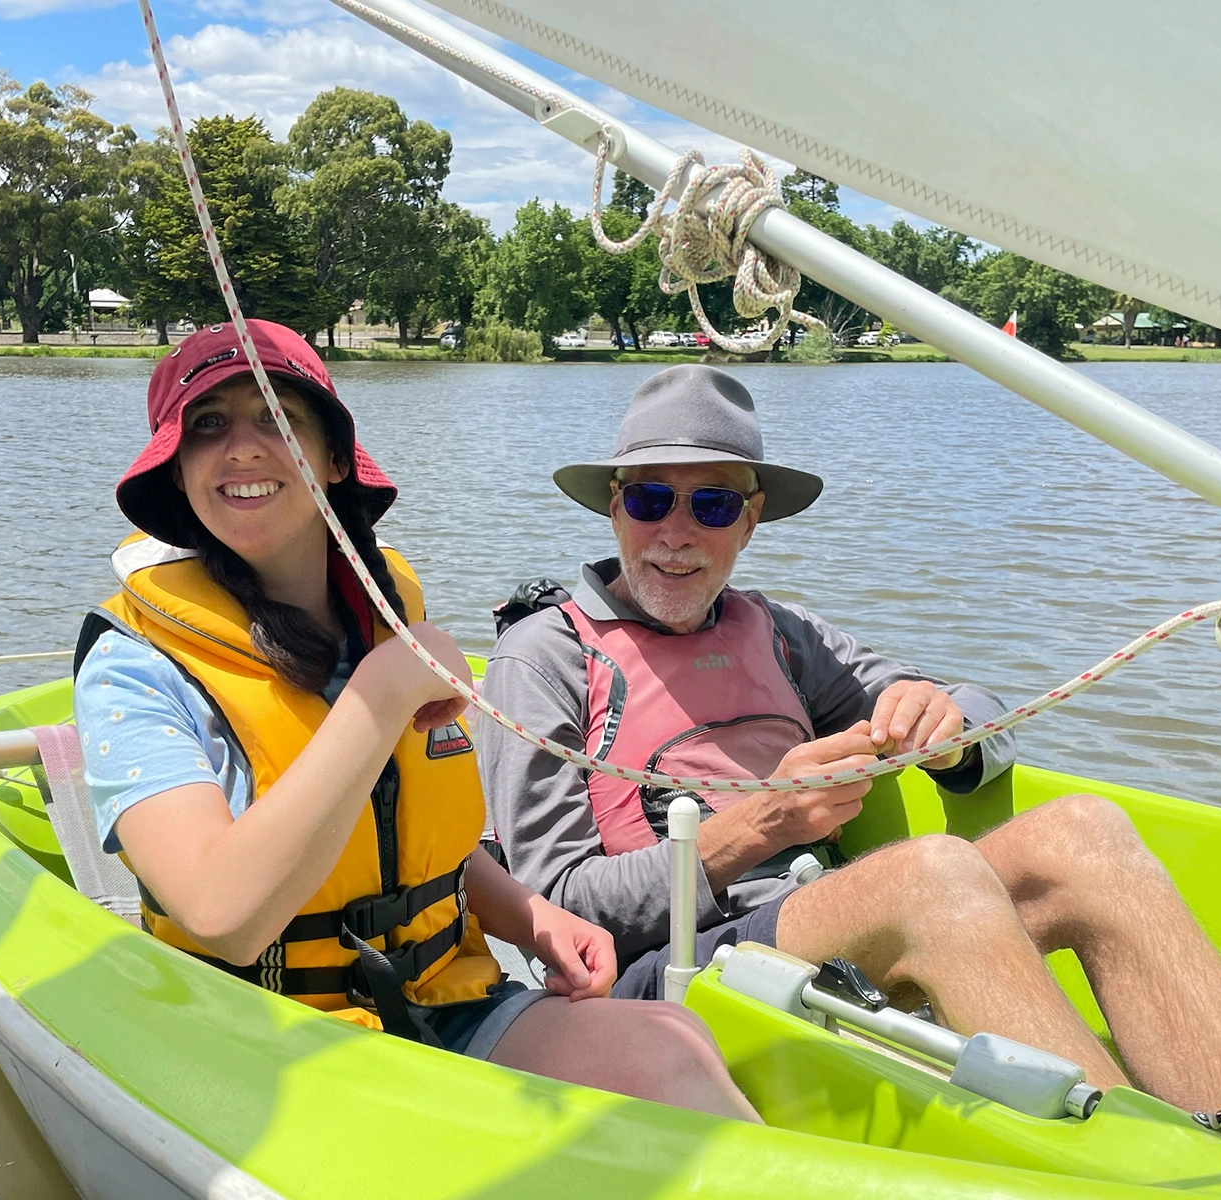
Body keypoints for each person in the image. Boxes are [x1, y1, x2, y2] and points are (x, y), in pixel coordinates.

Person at [477, 363, 1221, 1116]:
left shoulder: (782, 633)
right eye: (651, 500)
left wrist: (942, 724)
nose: (675, 534)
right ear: (614, 509)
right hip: (667, 972)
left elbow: (980, 713)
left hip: (822, 923)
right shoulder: (546, 656)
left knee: (1083, 832)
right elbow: (556, 909)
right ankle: (1141, 1172)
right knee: (930, 874)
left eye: (711, 506)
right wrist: (755, 828)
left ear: (749, 523)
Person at [71, 321, 758, 1121]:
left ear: (333, 458)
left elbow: (416, 837)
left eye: (276, 418)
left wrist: (533, 918)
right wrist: (383, 694)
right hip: (258, 1036)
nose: (243, 448)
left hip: (441, 997)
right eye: (208, 426)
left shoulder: (389, 614)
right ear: (178, 474)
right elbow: (222, 917)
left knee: (670, 1041)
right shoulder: (134, 665)